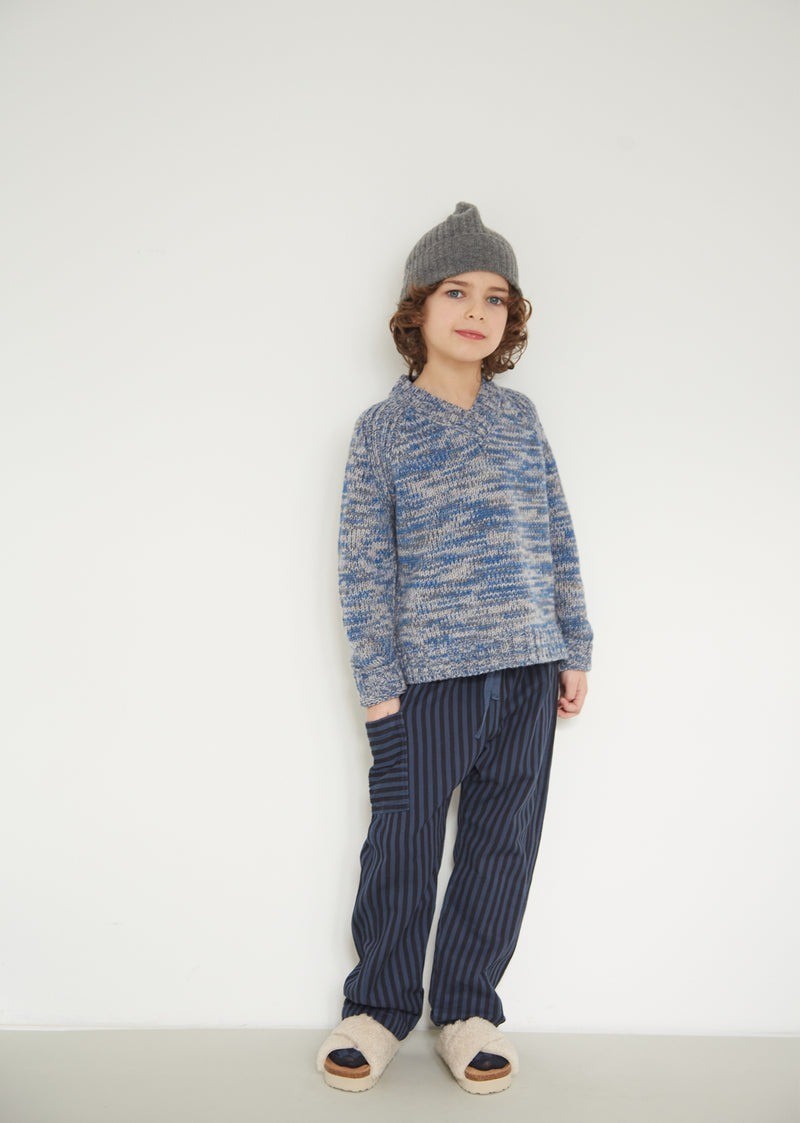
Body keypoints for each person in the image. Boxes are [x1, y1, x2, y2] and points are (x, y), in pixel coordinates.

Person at [315, 201, 593, 1095]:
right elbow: (364, 567)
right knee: (401, 841)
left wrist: (574, 644)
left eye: (496, 297)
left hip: (529, 670)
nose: (477, 311)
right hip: (427, 683)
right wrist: (378, 687)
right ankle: (378, 1006)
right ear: (418, 308)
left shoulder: (521, 420)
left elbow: (555, 535)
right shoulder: (384, 429)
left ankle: (468, 1008)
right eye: (456, 292)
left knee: (502, 844)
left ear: (511, 317)